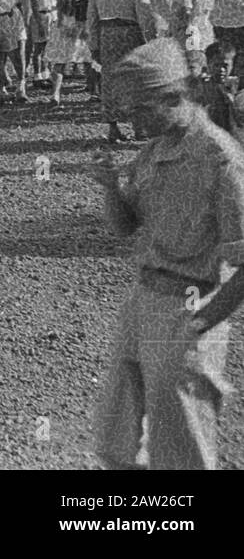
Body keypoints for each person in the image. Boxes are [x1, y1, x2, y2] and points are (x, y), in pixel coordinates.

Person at [90, 38, 244, 470]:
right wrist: (110, 187)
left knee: (181, 447)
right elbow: (125, 227)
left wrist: (199, 325)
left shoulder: (220, 159)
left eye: (141, 109)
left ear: (174, 97)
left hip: (191, 301)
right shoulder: (154, 151)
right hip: (142, 301)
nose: (134, 122)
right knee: (114, 439)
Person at [88, 0, 157, 143]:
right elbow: (143, 18)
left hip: (106, 33)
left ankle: (112, 127)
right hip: (130, 32)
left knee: (109, 80)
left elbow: (91, 18)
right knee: (136, 80)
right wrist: (149, 42)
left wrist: (94, 44)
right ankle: (139, 126)